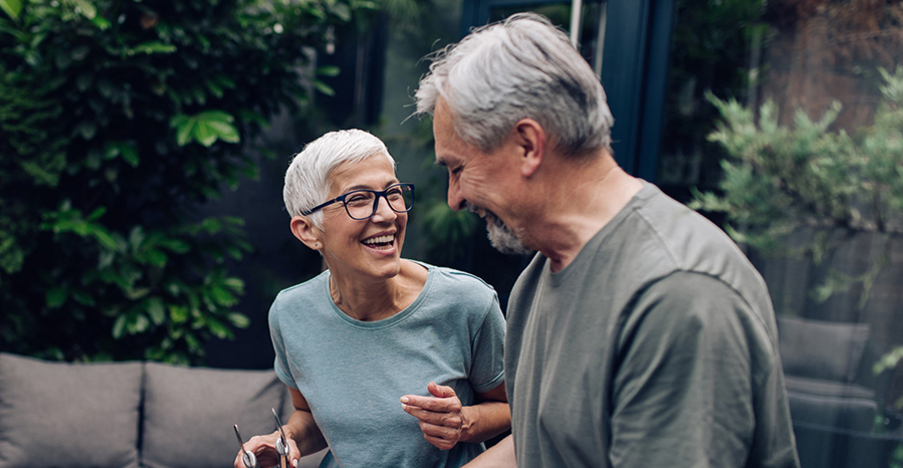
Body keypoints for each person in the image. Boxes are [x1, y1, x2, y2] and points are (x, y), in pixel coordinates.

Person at [413, 12, 800, 468]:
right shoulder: (538, 277)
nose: (454, 198)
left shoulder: (677, 293)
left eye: (458, 169)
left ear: (528, 146)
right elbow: (544, 446)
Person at [234, 129, 511, 468]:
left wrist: (465, 423)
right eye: (359, 199)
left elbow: (517, 409)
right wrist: (285, 440)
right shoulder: (291, 313)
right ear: (308, 231)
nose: (388, 215)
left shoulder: (467, 302)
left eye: (393, 193)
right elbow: (309, 415)